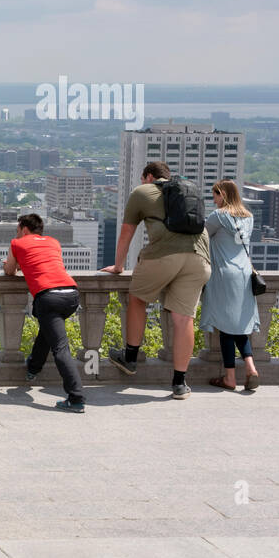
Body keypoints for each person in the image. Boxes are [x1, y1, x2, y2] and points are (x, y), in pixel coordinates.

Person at [103, 161, 211, 399]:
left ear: (148, 177)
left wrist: (119, 266)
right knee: (184, 319)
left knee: (138, 298)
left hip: (163, 255)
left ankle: (130, 358)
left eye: (143, 180)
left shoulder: (142, 192)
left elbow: (126, 232)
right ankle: (180, 383)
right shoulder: (187, 190)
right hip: (200, 259)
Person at [2, 213, 86, 412]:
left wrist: (10, 265)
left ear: (24, 229)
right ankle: (33, 367)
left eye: (18, 230)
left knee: (60, 348)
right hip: (71, 294)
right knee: (49, 331)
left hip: (48, 297)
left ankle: (76, 397)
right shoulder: (53, 242)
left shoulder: (17, 243)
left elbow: (10, 271)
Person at [200, 180, 260, 392]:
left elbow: (201, 236)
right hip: (244, 274)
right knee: (239, 325)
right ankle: (251, 367)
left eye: (215, 195)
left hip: (224, 274)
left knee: (226, 327)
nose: (213, 199)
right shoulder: (249, 218)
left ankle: (230, 378)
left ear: (223, 194)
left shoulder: (218, 216)